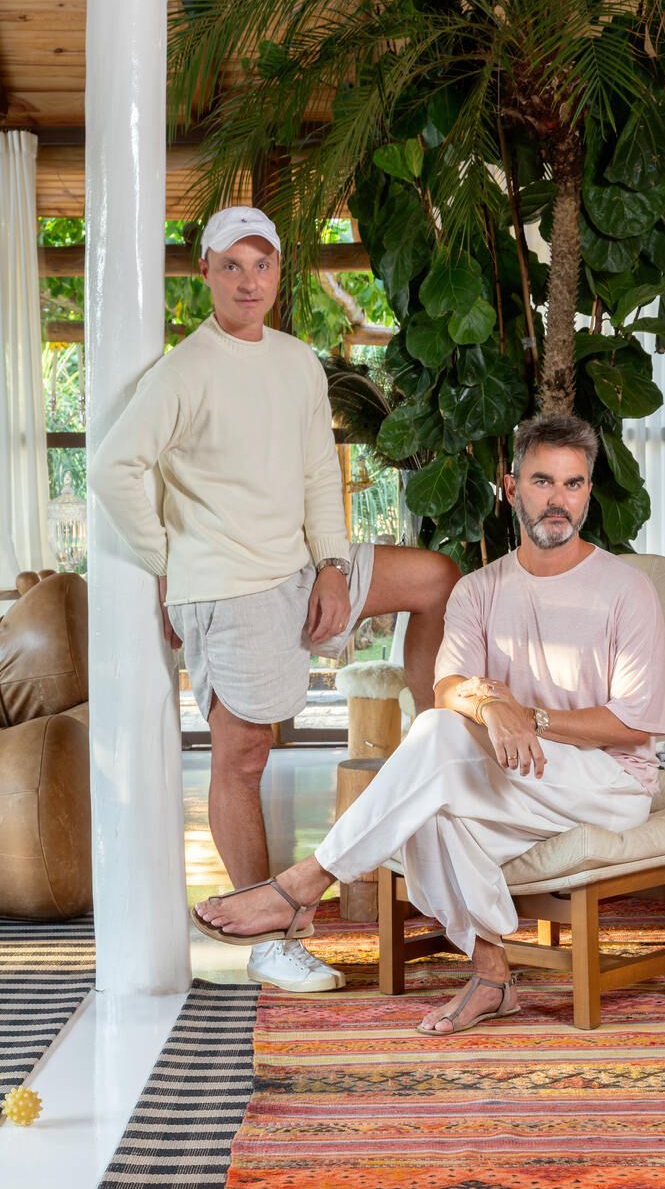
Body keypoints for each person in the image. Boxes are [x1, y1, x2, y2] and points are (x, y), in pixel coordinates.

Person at [193, 414, 665, 1033]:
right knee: (429, 805)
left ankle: (303, 885)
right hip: (524, 774)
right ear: (511, 487)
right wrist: (493, 706)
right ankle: (493, 978)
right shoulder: (478, 590)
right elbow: (448, 688)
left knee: (438, 741)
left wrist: (530, 716)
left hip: (610, 783)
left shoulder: (626, 589)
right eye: (542, 481)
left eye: (573, 484)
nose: (558, 499)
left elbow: (633, 725)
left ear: (587, 492)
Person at [88, 206, 460, 993]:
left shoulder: (295, 362)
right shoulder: (185, 370)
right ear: (206, 273)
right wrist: (166, 560)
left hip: (300, 565)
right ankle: (273, 937)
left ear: (278, 273)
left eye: (261, 265)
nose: (248, 281)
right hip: (229, 583)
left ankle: (441, 757)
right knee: (244, 755)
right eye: (231, 265)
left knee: (434, 578)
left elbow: (319, 472)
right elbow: (112, 468)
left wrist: (332, 565)